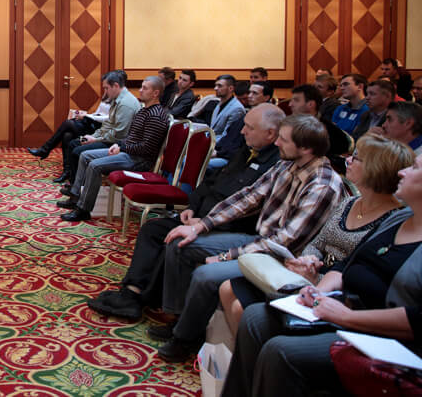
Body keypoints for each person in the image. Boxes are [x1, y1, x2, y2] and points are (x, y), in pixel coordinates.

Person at [222, 150, 422, 397]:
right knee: (255, 316)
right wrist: (318, 291)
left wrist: (347, 317)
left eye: (414, 168)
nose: (402, 172)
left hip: (385, 336)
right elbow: (347, 264)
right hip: (344, 305)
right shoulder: (400, 218)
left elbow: (417, 319)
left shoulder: (390, 214)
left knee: (281, 351)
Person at [151, 114, 344, 362]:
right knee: (180, 243)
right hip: (259, 241)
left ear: (306, 148)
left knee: (206, 275)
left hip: (283, 260)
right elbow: (249, 197)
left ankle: (184, 339)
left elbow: (285, 241)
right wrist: (201, 225)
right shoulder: (288, 164)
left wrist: (225, 257)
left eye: (283, 140)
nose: (277, 143)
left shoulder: (323, 185)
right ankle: (180, 320)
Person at [87, 103, 284, 321]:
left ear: (270, 133)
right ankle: (131, 293)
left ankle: (145, 300)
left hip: (224, 227)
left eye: (250, 127)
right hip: (201, 216)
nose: (242, 131)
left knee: (175, 241)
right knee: (152, 230)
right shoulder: (247, 151)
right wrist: (191, 207)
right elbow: (211, 182)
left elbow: (249, 212)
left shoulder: (275, 166)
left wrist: (204, 222)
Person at [218, 134, 410, 335]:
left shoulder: (391, 221)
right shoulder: (350, 202)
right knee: (227, 288)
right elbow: (318, 243)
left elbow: (356, 271)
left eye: (356, 158)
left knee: (242, 308)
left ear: (375, 169)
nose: (348, 160)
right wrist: (309, 259)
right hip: (310, 274)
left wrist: (317, 278)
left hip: (334, 291)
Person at [57, 76, 169, 222]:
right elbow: (131, 137)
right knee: (85, 156)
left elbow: (146, 148)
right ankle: (75, 196)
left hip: (139, 160)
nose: (140, 90)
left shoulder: (156, 115)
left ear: (155, 93)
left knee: (95, 165)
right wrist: (119, 145)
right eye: (141, 86)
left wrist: (122, 147)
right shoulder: (144, 111)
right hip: (129, 153)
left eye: (145, 88)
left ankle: (83, 209)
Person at [57, 70, 140, 184]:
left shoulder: (125, 104)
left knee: (77, 150)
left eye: (106, 88)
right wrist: (93, 136)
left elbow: (119, 134)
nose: (105, 91)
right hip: (109, 138)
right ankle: (75, 183)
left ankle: (78, 187)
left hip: (116, 144)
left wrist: (95, 139)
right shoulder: (118, 99)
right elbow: (108, 124)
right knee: (72, 142)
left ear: (116, 86)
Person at [289, 83, 350, 174]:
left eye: (296, 100)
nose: (290, 104)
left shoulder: (328, 130)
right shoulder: (290, 126)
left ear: (311, 104)